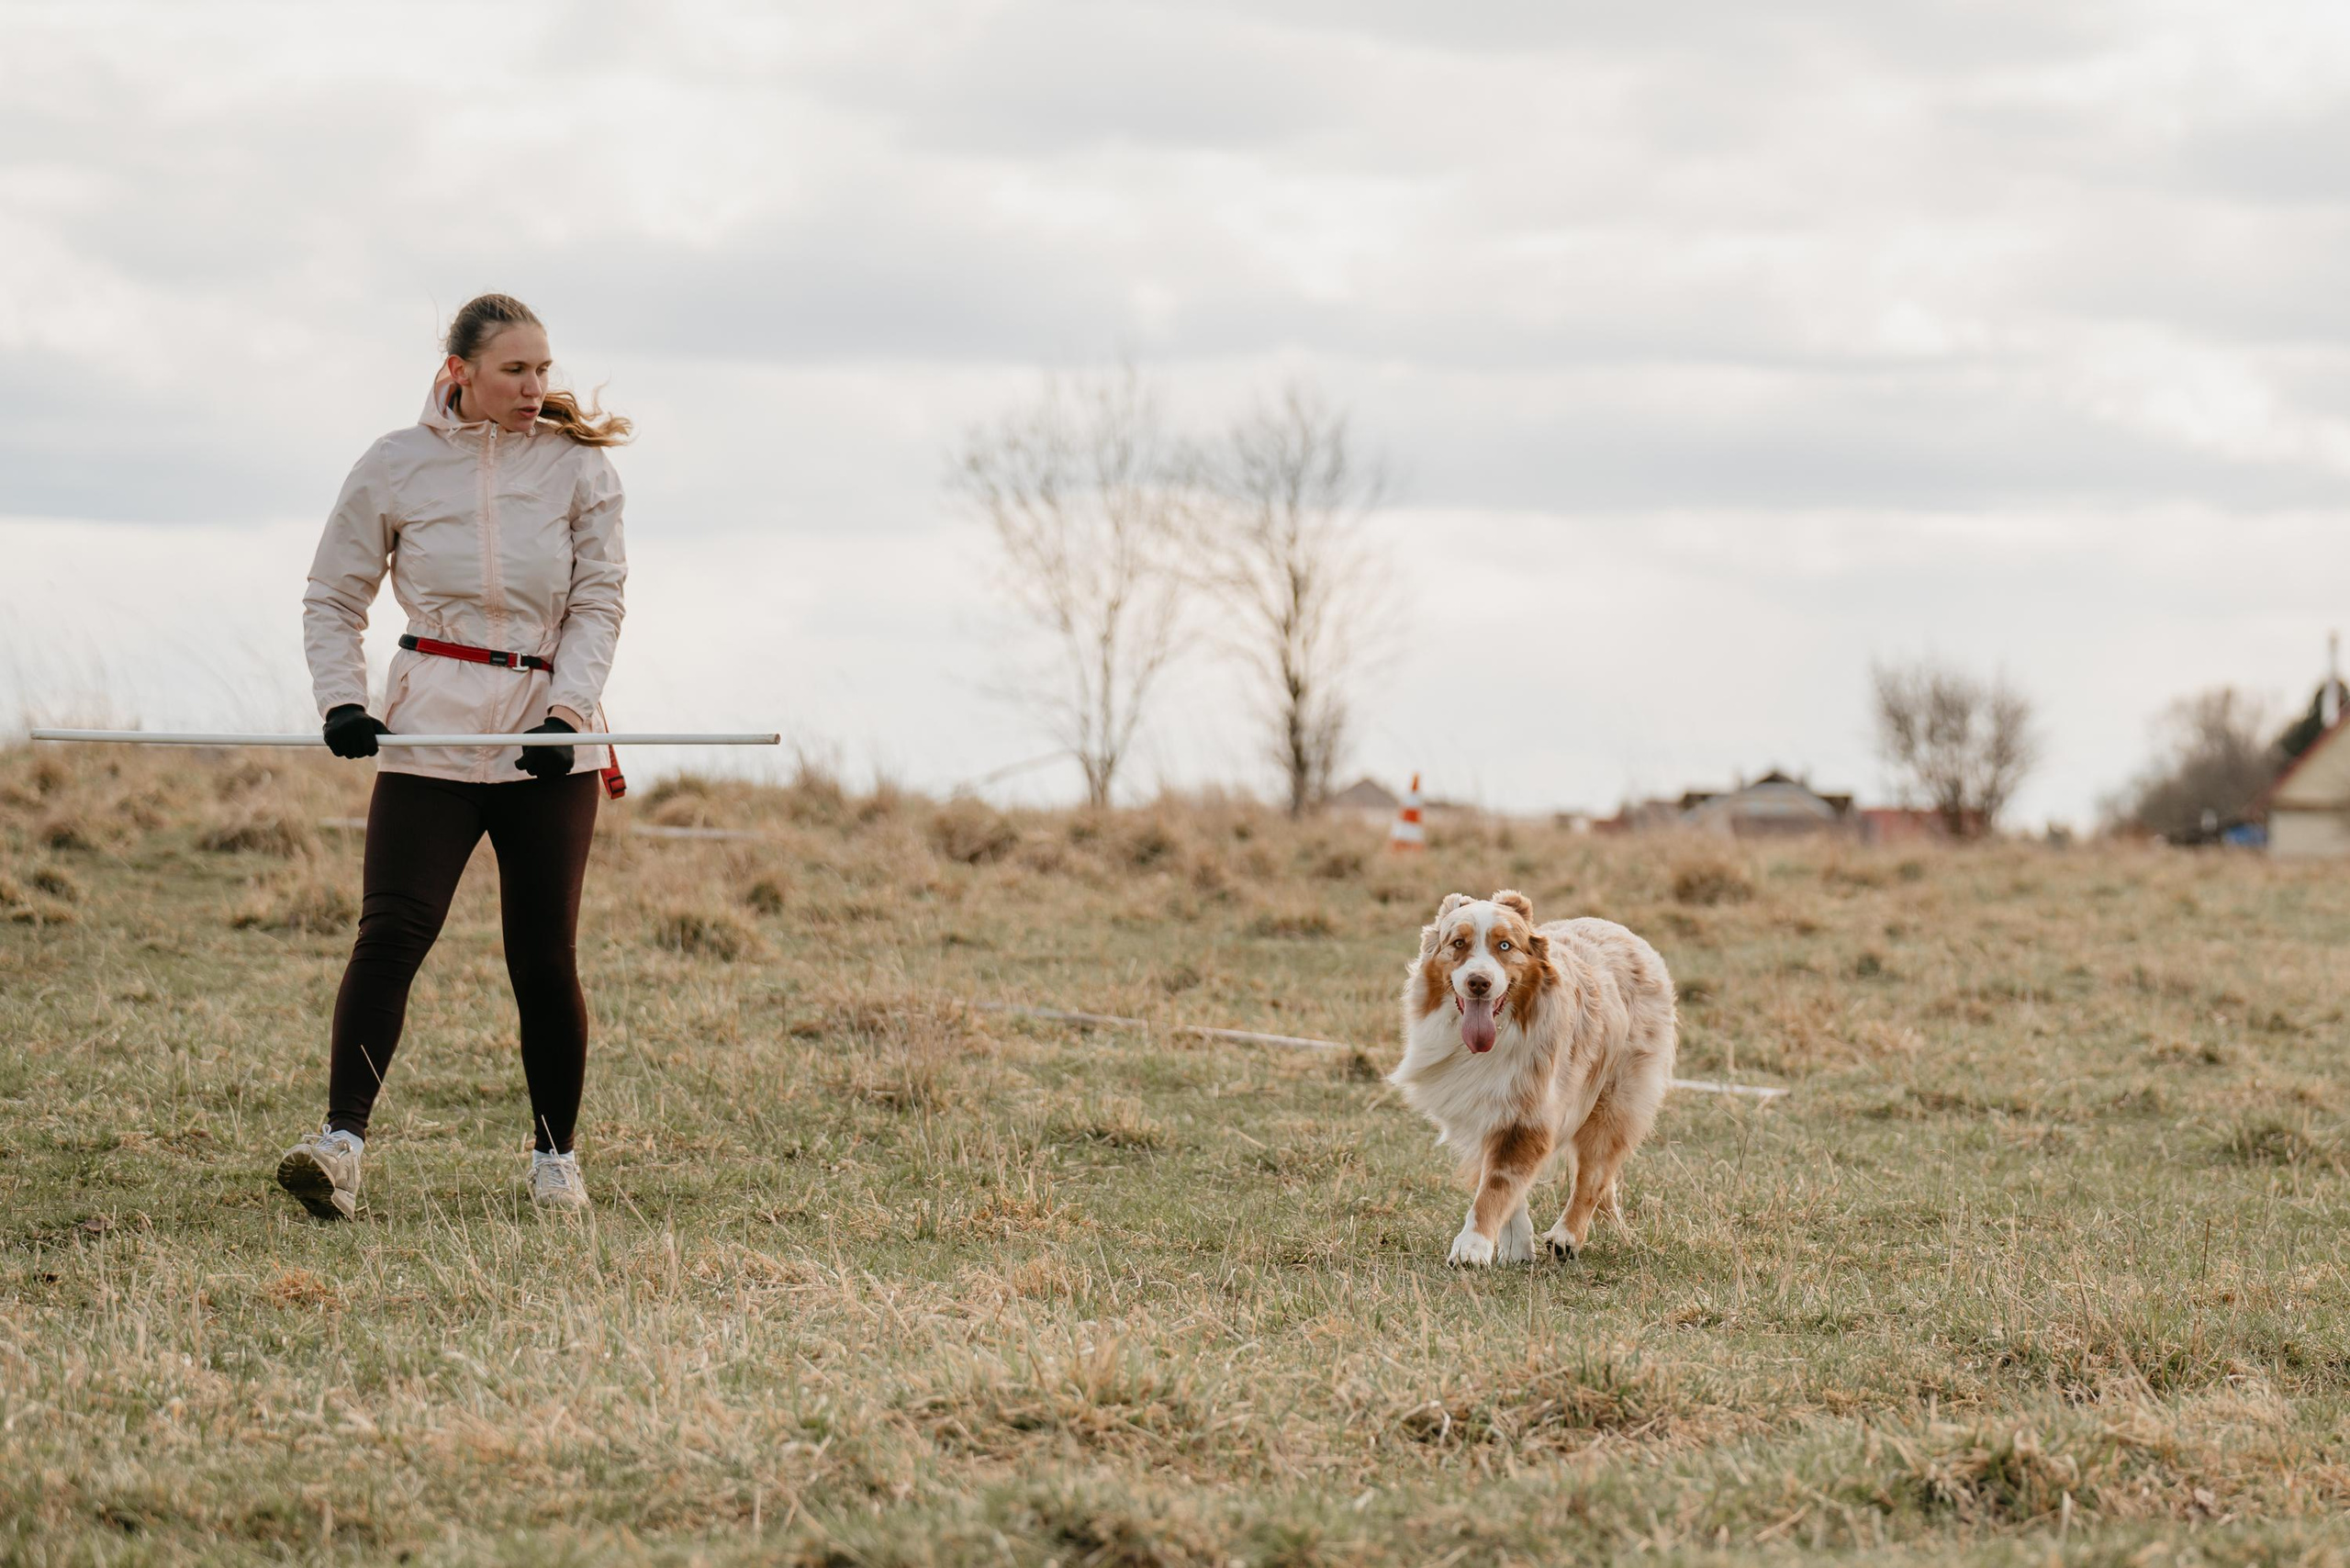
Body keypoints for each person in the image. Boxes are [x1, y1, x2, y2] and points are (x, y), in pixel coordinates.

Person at [274, 293, 629, 1220]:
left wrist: (565, 714)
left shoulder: (579, 468)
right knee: (391, 934)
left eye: (542, 368)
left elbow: (599, 603)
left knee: (542, 956)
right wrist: (342, 701)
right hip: (428, 730)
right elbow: (332, 595)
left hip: (549, 741)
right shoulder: (394, 463)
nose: (535, 386)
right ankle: (339, 1148)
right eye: (515, 369)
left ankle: (555, 1160)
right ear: (459, 372)